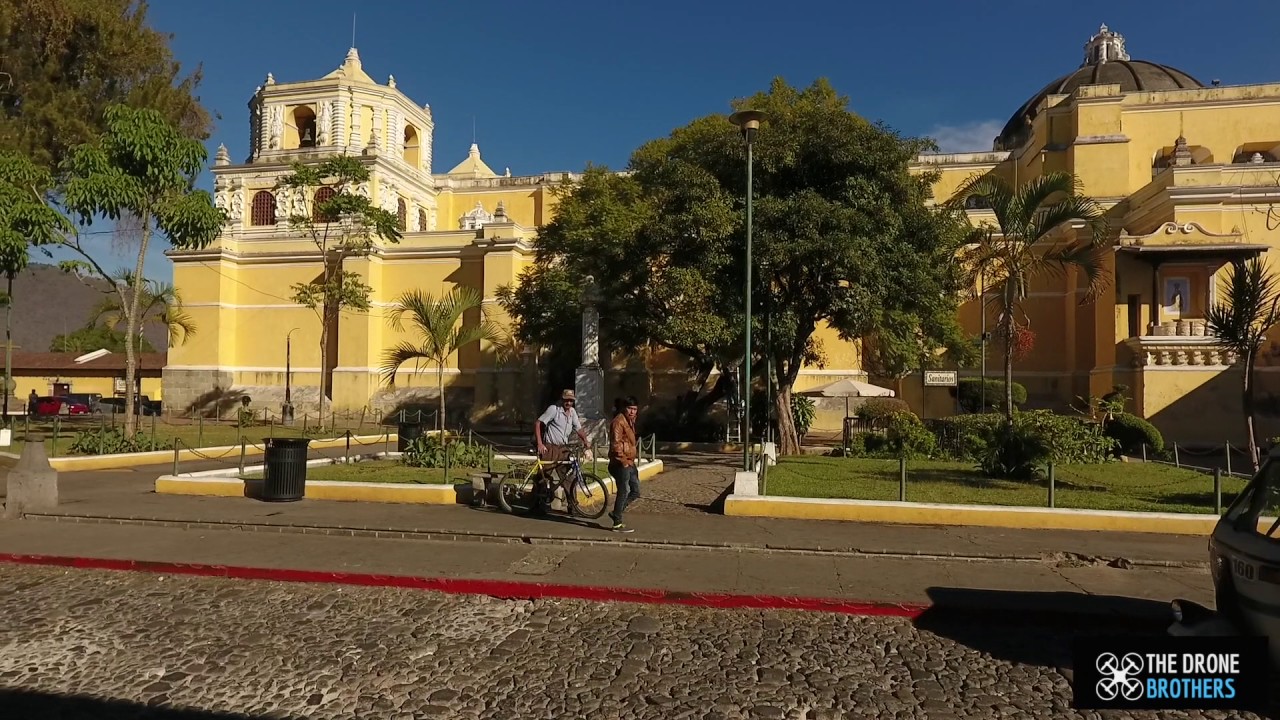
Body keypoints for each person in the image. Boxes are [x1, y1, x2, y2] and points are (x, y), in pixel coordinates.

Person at [534, 389, 590, 510]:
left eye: (571, 401)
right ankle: (537, 504)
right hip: (550, 447)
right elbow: (538, 423)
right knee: (544, 477)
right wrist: (540, 443)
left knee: (569, 477)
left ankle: (573, 505)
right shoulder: (554, 409)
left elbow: (578, 429)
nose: (568, 403)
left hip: (563, 448)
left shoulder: (572, 412)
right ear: (562, 399)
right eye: (566, 400)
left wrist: (586, 442)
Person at [607, 395, 640, 533]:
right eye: (629, 408)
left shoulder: (630, 421)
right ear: (624, 408)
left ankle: (616, 512)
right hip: (620, 463)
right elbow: (616, 444)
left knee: (636, 491)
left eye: (634, 409)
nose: (632, 411)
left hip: (629, 461)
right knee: (624, 490)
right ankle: (617, 522)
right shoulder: (619, 422)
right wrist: (624, 461)